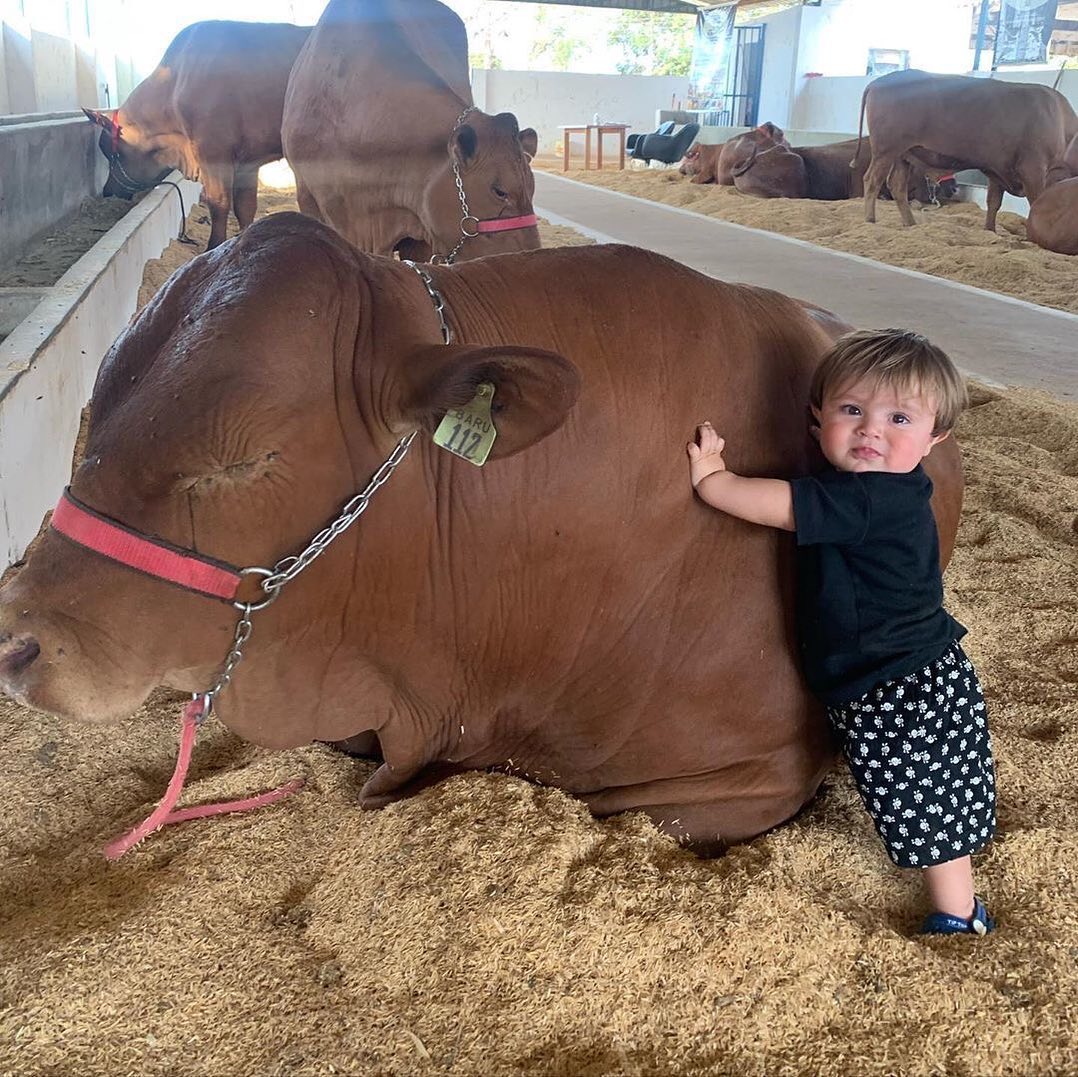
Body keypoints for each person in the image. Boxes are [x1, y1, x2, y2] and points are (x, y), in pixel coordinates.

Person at [687, 328, 996, 936]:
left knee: (925, 804)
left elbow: (779, 505)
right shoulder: (891, 486)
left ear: (935, 438)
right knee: (929, 787)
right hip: (906, 668)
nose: (870, 431)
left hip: (900, 682)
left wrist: (711, 479)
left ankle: (960, 914)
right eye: (852, 410)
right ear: (817, 419)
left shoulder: (871, 501)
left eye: (898, 418)